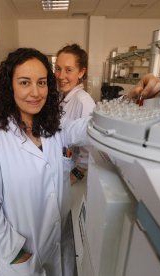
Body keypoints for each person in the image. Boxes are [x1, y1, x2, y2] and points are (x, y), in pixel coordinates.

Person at [0, 47, 160, 276]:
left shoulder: (56, 128)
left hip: (60, 246)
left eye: (41, 82)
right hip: (22, 256)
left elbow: (95, 124)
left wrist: (132, 97)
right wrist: (15, 253)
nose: (35, 92)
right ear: (9, 87)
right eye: (24, 82)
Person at [54, 43, 95, 185]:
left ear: (81, 72)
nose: (60, 76)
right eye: (58, 69)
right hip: (60, 168)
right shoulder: (60, 97)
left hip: (73, 175)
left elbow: (91, 148)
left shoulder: (84, 102)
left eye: (68, 70)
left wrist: (75, 175)